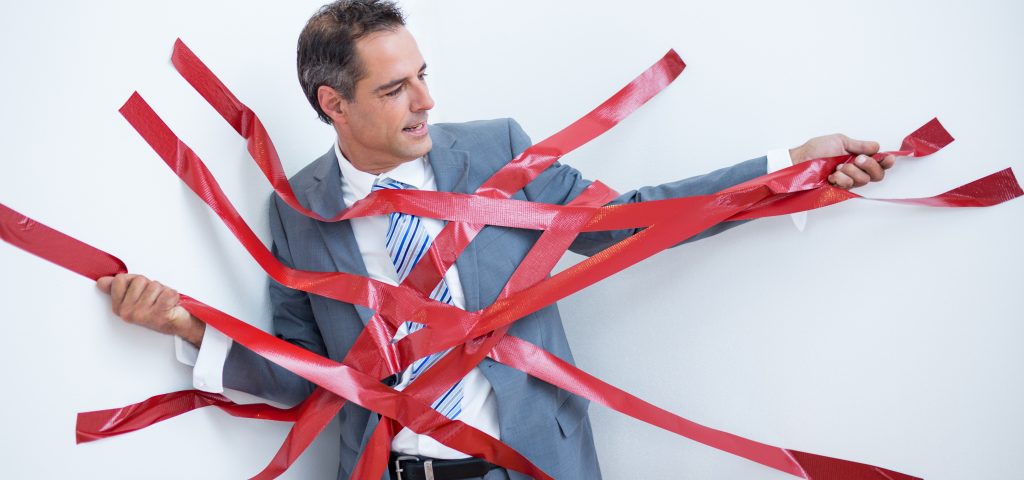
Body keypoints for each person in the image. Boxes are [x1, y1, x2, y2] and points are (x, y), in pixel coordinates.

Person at [95, 1, 896, 478]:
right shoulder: (298, 209)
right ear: (333, 103)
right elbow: (305, 376)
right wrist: (184, 327)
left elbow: (629, 220)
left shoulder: (495, 150)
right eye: (395, 87)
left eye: (423, 73)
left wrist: (787, 169)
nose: (426, 100)